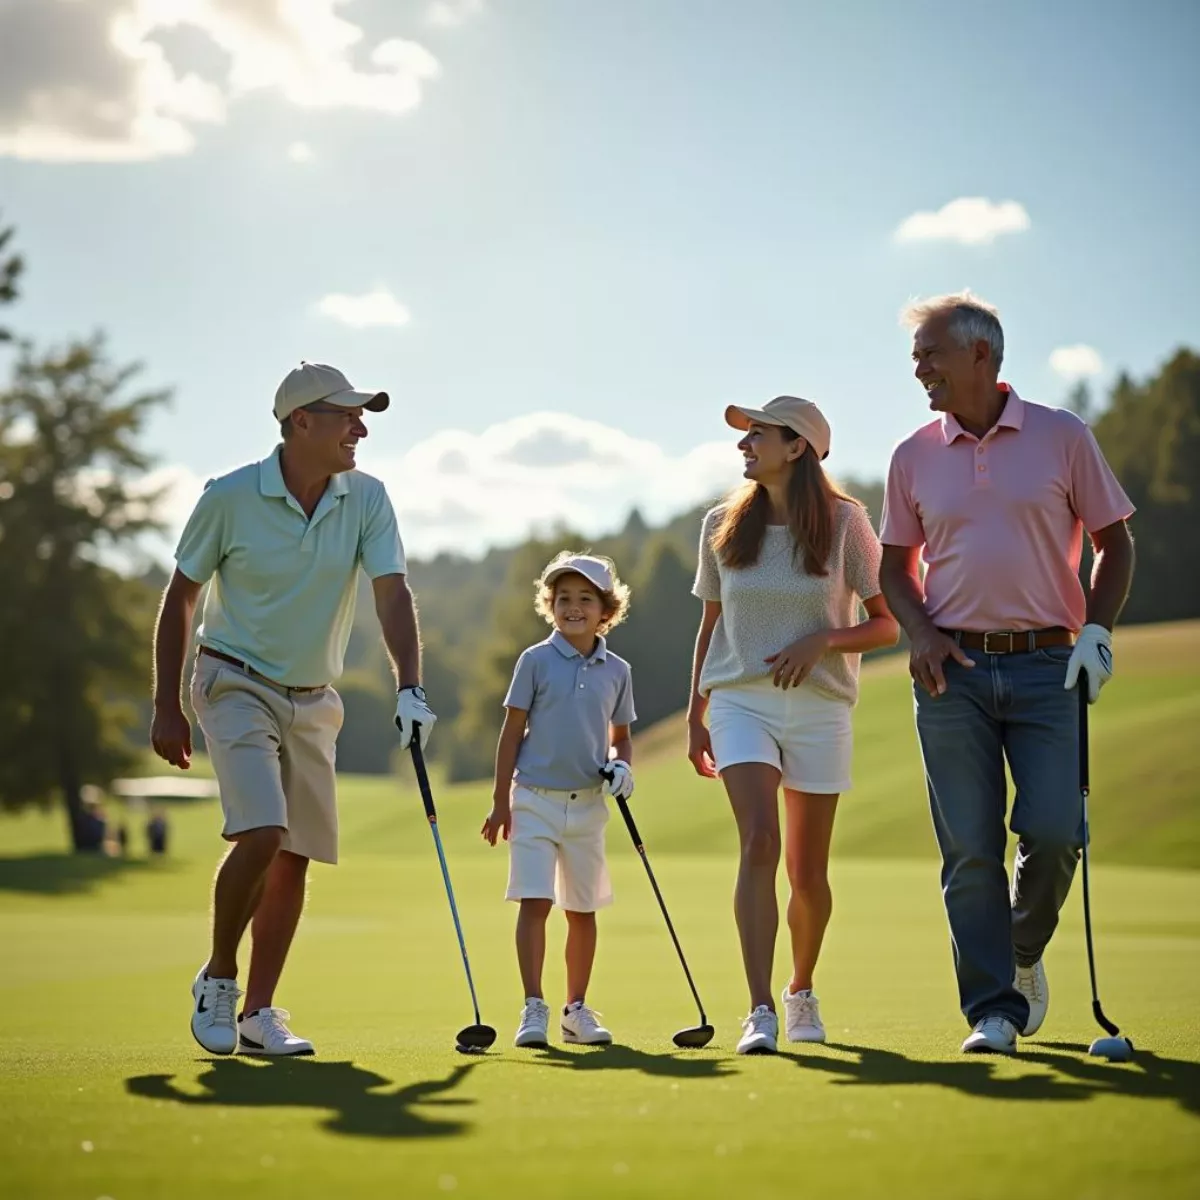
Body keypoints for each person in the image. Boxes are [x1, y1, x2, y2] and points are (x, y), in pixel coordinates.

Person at [150, 361, 437, 1058]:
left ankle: (258, 1014)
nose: (360, 428)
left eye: (361, 416)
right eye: (346, 416)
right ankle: (219, 977)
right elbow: (181, 597)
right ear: (300, 422)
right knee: (262, 831)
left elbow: (392, 593)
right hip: (233, 680)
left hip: (313, 698)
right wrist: (165, 703)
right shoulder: (229, 496)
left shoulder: (366, 498)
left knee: (295, 855)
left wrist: (410, 686)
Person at [879, 292, 1135, 1055]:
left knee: (1057, 832)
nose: (918, 369)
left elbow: (1114, 543)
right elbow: (896, 569)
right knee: (970, 853)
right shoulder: (912, 454)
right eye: (916, 357)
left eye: (931, 354)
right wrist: (918, 632)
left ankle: (1021, 951)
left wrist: (1096, 630)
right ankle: (992, 1011)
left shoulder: (1062, 436)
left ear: (981, 355)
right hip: (949, 673)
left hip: (1050, 667)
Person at [687, 396, 899, 1056]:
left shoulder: (846, 524)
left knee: (808, 874)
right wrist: (696, 712)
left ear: (798, 447)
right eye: (745, 436)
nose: (744, 445)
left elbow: (888, 622)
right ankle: (757, 1010)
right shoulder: (722, 523)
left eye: (758, 435)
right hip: (739, 702)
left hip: (821, 707)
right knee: (759, 843)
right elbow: (711, 626)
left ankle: (799, 988)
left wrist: (825, 642)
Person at [481, 552, 637, 1049]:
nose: (573, 607)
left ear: (606, 609)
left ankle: (575, 1010)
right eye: (563, 598)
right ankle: (533, 1007)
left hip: (588, 805)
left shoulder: (618, 670)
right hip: (533, 798)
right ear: (550, 605)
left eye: (585, 599)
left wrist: (622, 765)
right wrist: (500, 801)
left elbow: (622, 736)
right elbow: (510, 734)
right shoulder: (535, 660)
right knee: (535, 901)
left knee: (583, 909)